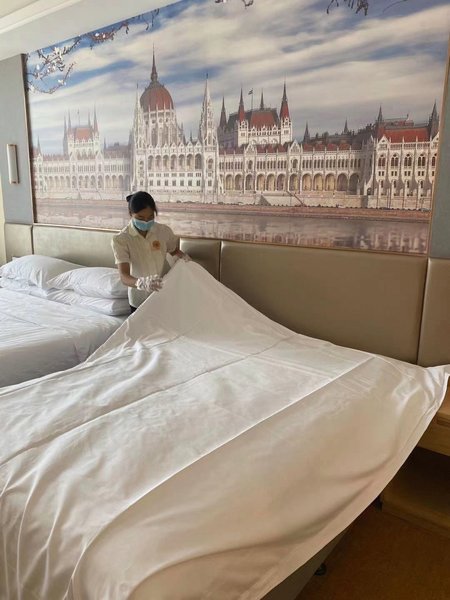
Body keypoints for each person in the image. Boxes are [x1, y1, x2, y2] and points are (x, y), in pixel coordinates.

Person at [111, 191, 188, 312]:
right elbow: (124, 276)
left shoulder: (163, 231)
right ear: (130, 213)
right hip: (139, 299)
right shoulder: (121, 239)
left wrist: (183, 258)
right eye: (140, 218)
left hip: (164, 293)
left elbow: (174, 251)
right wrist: (141, 283)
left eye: (151, 217)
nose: (146, 221)